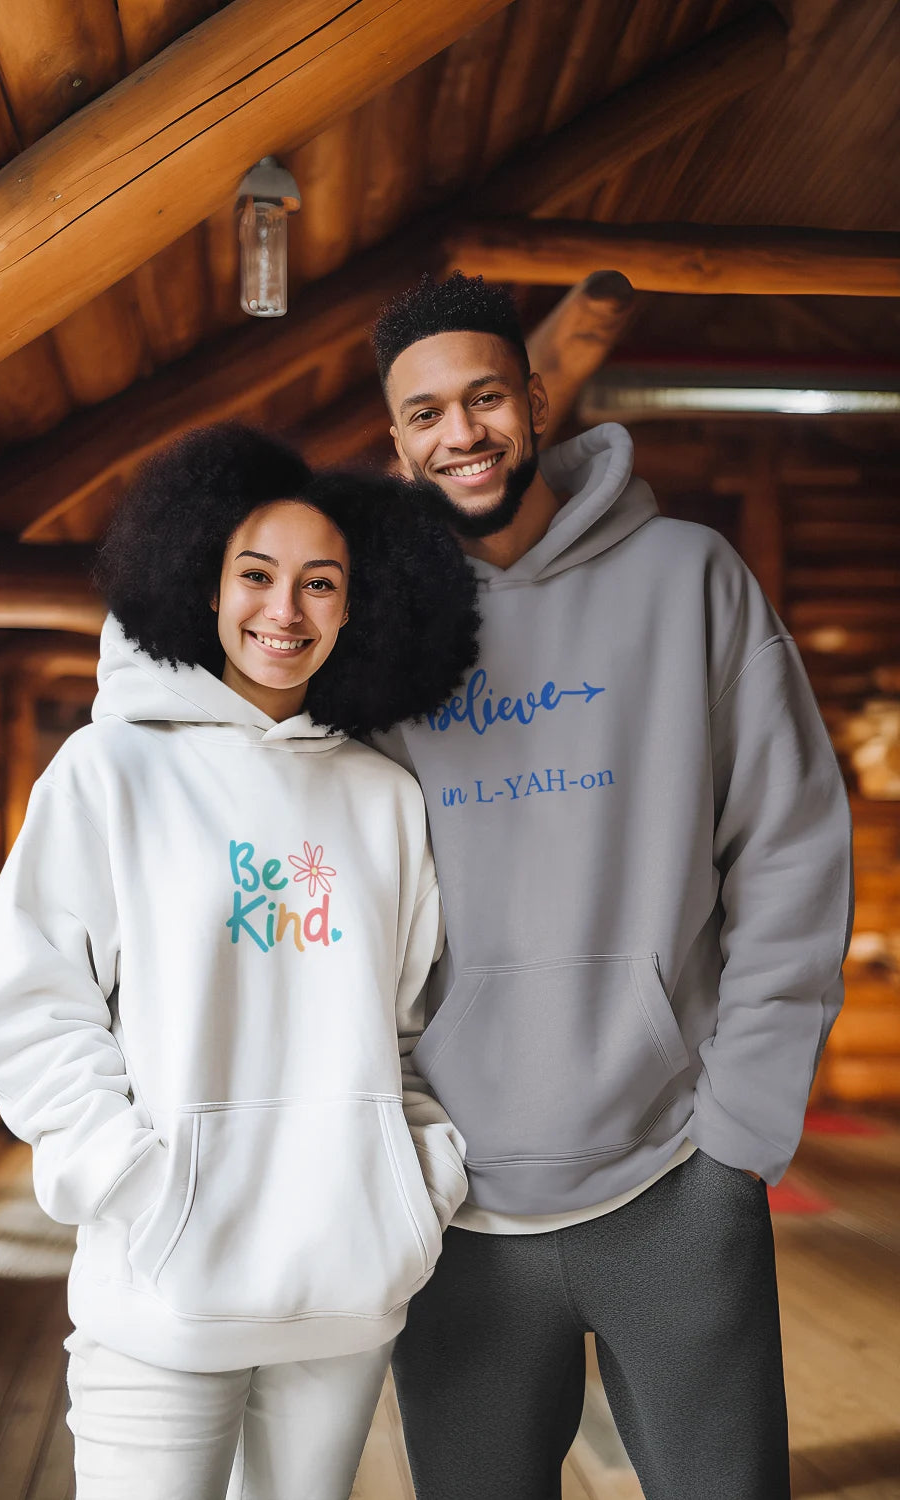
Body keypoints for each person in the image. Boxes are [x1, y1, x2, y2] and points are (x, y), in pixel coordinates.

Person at [370, 273, 854, 1500]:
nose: (460, 432)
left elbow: (791, 848)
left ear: (535, 402)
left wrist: (741, 1131)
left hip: (675, 1179)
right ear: (398, 442)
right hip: (457, 1207)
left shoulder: (688, 577)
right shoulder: (380, 631)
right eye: (425, 413)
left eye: (483, 397)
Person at [0, 423, 479, 1500]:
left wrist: (411, 1186)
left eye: (320, 583)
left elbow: (409, 1022)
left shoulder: (383, 798)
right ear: (203, 584)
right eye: (255, 575)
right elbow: (37, 1008)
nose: (283, 612)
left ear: (358, 606)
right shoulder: (107, 771)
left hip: (343, 1291)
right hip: (161, 1289)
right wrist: (134, 1187)